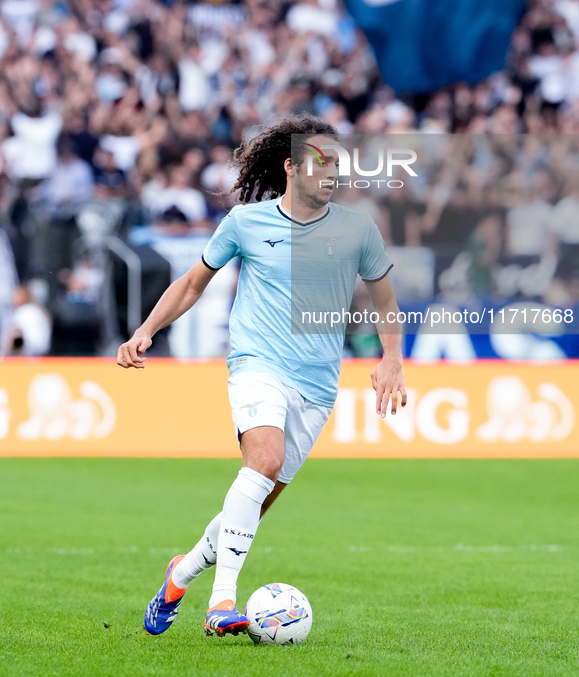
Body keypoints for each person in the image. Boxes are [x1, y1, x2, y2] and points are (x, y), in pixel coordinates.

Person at [116, 114, 406, 638]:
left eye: (337, 164)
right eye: (321, 161)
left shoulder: (357, 230)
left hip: (318, 387)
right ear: (291, 167)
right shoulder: (246, 223)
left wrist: (391, 359)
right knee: (264, 460)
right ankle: (222, 602)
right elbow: (191, 284)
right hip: (256, 365)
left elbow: (385, 298)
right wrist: (146, 330)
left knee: (254, 501)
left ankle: (179, 576)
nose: (331, 172)